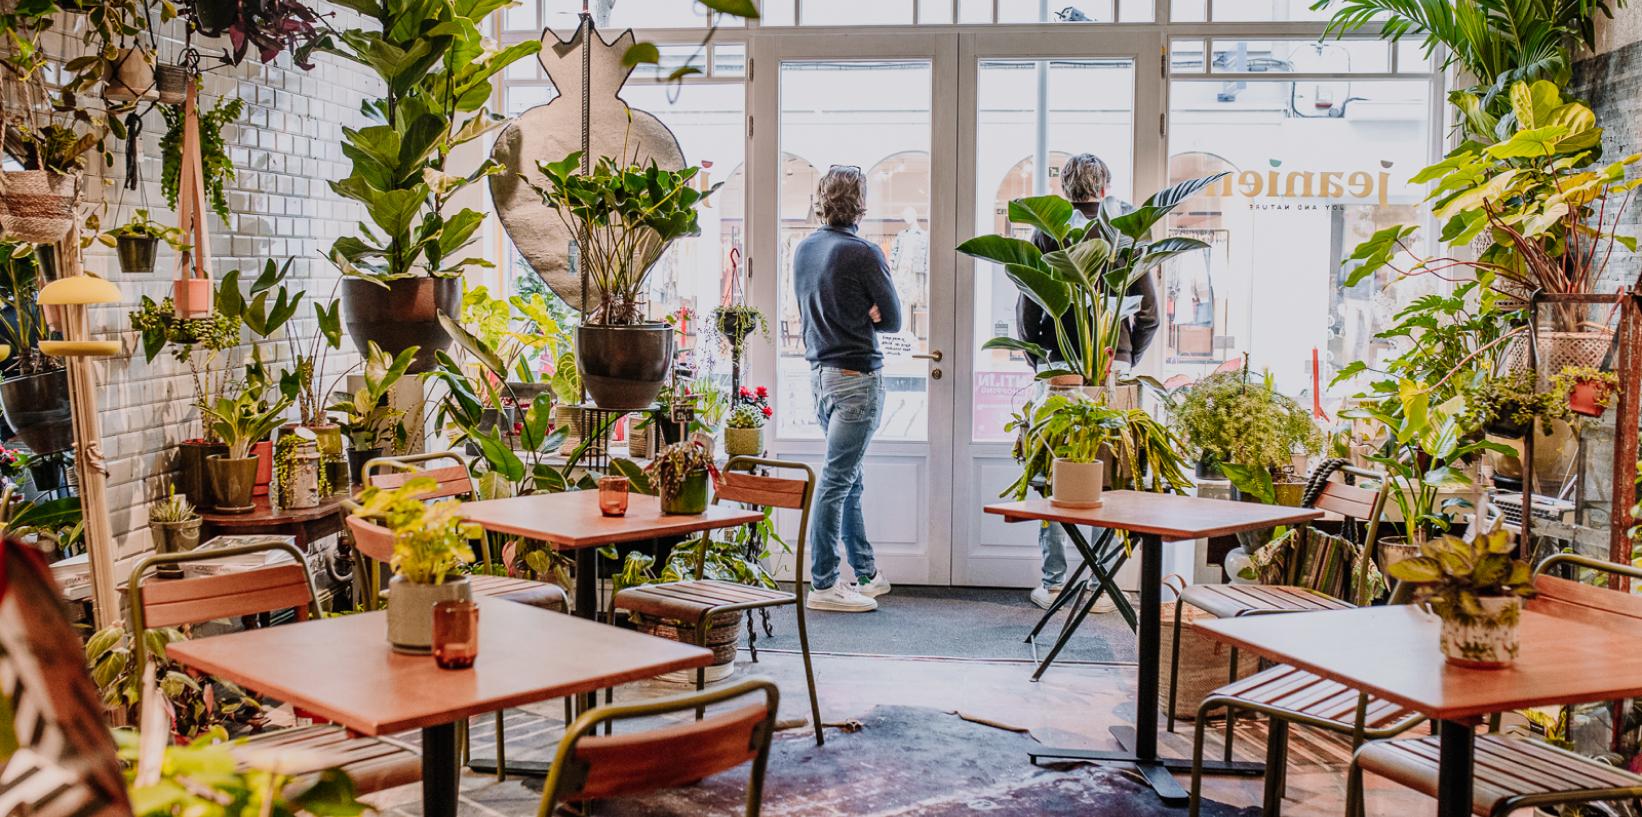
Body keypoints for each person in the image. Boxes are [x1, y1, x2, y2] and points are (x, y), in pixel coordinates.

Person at [1018, 153, 1160, 610]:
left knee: (1054, 472)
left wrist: (1040, 356)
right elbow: (1150, 314)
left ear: (1065, 191)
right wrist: (1122, 356)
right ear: (1105, 187)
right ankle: (1099, 584)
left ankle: (1055, 582)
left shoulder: (1049, 230)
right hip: (1110, 365)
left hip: (1062, 365)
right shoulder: (1124, 229)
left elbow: (1028, 308)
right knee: (1111, 475)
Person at [793, 165, 902, 613]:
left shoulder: (804, 250)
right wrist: (870, 310)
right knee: (837, 482)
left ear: (822, 201)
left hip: (820, 377)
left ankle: (865, 573)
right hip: (857, 378)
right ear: (861, 204)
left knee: (849, 480)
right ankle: (822, 583)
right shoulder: (863, 253)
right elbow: (893, 318)